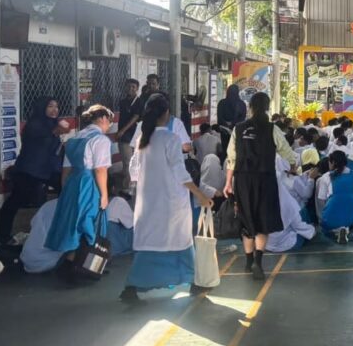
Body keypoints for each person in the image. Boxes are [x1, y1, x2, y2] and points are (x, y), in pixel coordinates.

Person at [122, 94, 213, 301]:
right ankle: (193, 281)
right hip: (171, 202)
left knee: (148, 243)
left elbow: (133, 171)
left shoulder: (142, 140)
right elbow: (181, 173)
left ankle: (133, 286)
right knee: (180, 241)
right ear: (166, 114)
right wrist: (200, 195)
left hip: (147, 202)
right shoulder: (171, 139)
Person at [223, 92, 297, 279]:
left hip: (243, 180)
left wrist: (228, 183)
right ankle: (258, 261)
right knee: (263, 220)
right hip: (265, 179)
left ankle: (248, 262)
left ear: (250, 107)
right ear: (267, 107)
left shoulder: (238, 129)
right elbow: (287, 151)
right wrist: (293, 166)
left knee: (246, 219)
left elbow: (231, 159)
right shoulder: (272, 129)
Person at [45, 105, 114, 282]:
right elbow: (100, 169)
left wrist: (65, 190)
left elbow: (66, 169)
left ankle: (69, 266)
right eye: (109, 122)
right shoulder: (100, 140)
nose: (109, 126)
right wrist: (104, 195)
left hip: (73, 183)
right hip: (90, 183)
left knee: (75, 224)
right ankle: (82, 266)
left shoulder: (74, 138)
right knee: (90, 224)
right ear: (103, 119)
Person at [0, 96, 66, 247]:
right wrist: (58, 130)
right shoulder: (34, 124)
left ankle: (60, 229)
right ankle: (2, 236)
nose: (55, 110)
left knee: (66, 190)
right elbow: (45, 136)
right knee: (15, 201)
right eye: (50, 106)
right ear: (42, 108)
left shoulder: (53, 123)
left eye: (56, 106)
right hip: (29, 170)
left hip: (47, 169)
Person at [317, 150, 353, 242]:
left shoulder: (326, 176)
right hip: (352, 213)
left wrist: (323, 217)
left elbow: (322, 199)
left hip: (332, 212)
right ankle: (345, 228)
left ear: (333, 162)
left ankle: (339, 229)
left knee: (327, 224)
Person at [115, 79, 141, 190]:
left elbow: (135, 117)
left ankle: (131, 187)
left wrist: (122, 130)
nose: (131, 89)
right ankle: (127, 187)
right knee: (127, 162)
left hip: (135, 135)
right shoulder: (123, 102)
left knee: (134, 162)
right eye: (129, 86)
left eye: (133, 87)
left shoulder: (139, 102)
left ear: (137, 89)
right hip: (124, 137)